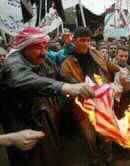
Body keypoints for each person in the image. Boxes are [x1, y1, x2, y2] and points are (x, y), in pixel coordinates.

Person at [0, 27, 94, 166]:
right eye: (38, 48)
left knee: (52, 156)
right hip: (24, 126)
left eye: (45, 47)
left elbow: (60, 76)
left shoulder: (45, 59)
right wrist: (64, 87)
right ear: (24, 48)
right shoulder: (12, 63)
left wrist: (79, 86)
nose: (44, 53)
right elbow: (26, 80)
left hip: (47, 118)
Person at [61, 26, 121, 166]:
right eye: (82, 40)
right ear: (74, 40)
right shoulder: (67, 62)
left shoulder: (97, 54)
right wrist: (84, 88)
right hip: (83, 104)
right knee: (89, 136)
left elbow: (112, 67)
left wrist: (123, 72)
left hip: (103, 101)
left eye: (88, 40)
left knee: (106, 132)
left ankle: (108, 157)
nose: (86, 43)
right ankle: (93, 159)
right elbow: (66, 80)